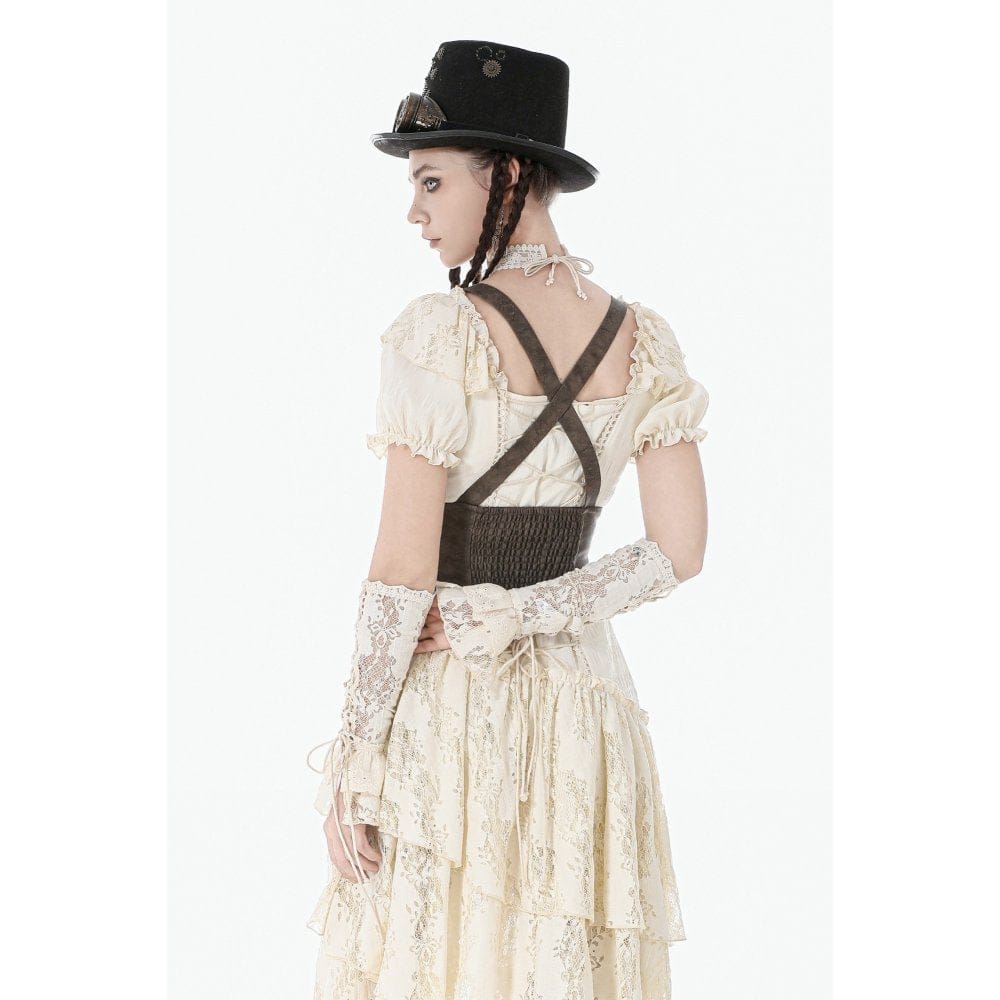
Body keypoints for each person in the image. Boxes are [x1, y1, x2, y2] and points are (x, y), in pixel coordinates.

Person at [304, 39, 709, 999]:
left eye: (432, 181)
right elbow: (679, 549)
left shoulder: (442, 330)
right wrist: (530, 612)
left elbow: (402, 570)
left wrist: (355, 760)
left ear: (511, 177)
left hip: (455, 708)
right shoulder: (641, 339)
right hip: (584, 708)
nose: (414, 211)